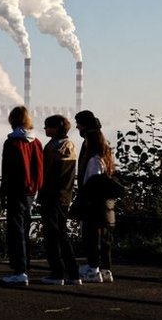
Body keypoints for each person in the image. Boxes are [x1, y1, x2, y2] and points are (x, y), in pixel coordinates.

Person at [73, 110, 121, 284]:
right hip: (106, 202)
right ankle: (105, 268)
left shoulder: (91, 154)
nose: (76, 126)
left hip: (94, 201)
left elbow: (92, 179)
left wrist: (84, 197)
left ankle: (93, 269)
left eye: (78, 123)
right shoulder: (104, 150)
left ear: (84, 126)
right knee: (105, 236)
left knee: (92, 235)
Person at [0, 106, 43, 286]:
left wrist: (3, 192)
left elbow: (7, 171)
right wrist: (36, 187)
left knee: (16, 230)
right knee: (25, 228)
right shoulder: (36, 142)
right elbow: (39, 167)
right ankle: (25, 265)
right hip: (31, 191)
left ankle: (20, 271)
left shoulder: (11, 143)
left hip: (16, 190)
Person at [37, 115, 82, 286]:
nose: (45, 129)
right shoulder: (70, 146)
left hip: (51, 196)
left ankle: (57, 273)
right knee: (62, 235)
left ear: (57, 128)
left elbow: (47, 173)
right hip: (65, 196)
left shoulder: (52, 148)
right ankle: (73, 273)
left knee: (52, 236)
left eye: (48, 126)